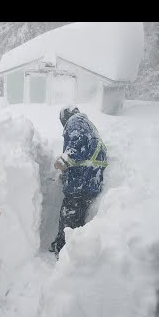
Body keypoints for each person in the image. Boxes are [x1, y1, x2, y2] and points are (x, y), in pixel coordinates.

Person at [49, 105, 108, 257]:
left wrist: (64, 160)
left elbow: (78, 142)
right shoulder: (88, 124)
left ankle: (62, 249)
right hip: (91, 179)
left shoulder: (75, 121)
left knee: (69, 214)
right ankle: (73, 251)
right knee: (78, 217)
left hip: (81, 180)